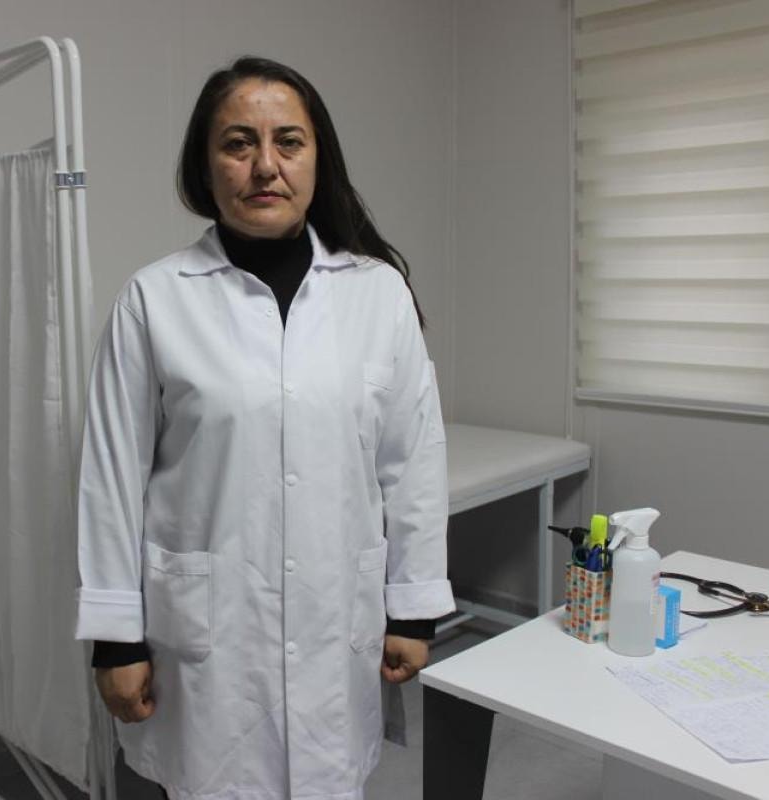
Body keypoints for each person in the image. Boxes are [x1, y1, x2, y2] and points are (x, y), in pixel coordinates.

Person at [74, 56, 453, 800]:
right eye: (238, 143)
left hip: (334, 621)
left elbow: (413, 461)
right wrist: (115, 639)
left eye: (289, 141)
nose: (265, 166)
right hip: (209, 637)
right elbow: (110, 478)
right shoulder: (154, 300)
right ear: (205, 166)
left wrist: (413, 606)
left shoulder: (377, 295)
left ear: (318, 160)